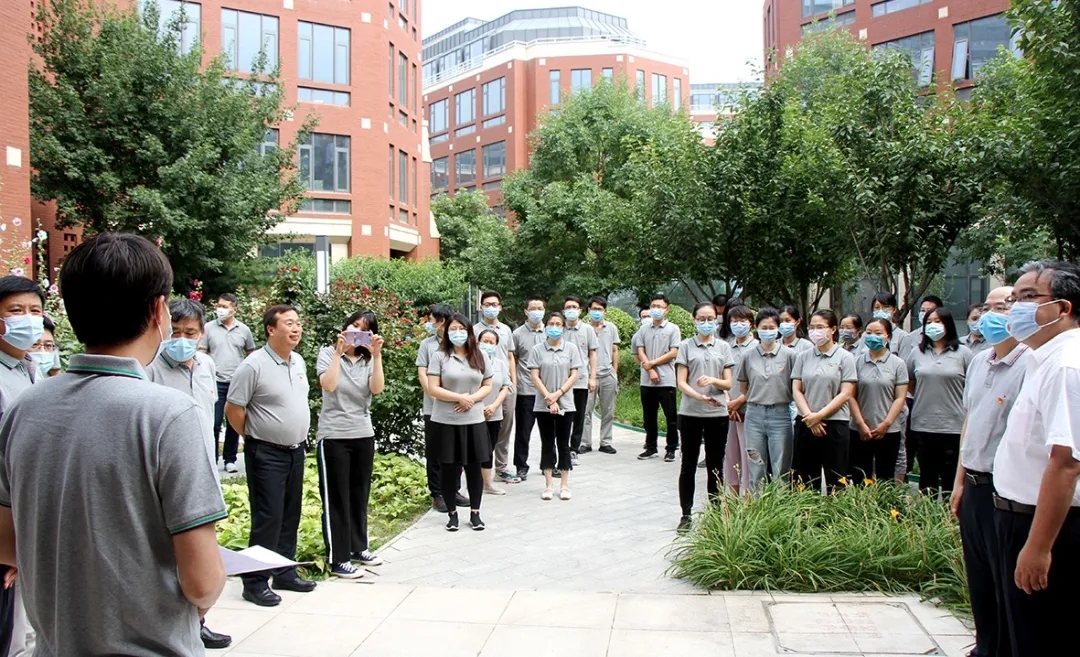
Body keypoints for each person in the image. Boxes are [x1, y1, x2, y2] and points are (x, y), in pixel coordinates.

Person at [0, 233, 226, 655]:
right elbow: (202, 582)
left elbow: (7, 543)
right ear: (158, 310)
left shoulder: (24, 408)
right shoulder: (169, 414)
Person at [991, 260, 1080, 657]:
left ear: (1062, 308)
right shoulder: (1042, 358)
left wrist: (1038, 547)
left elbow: (1066, 463)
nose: (1016, 309)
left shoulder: (1066, 365)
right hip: (1017, 517)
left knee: (1040, 637)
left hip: (1045, 525)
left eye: (1028, 297)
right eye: (1014, 299)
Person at [146, 298, 232, 650]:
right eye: (176, 331)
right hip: (168, 474)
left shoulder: (207, 364)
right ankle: (172, 626)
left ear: (201, 334)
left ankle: (198, 622)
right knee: (171, 554)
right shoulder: (151, 368)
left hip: (204, 467)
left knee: (200, 551)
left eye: (190, 333)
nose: (182, 339)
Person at [949, 286, 1028, 657]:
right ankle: (984, 647)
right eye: (987, 307)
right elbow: (970, 421)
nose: (991, 315)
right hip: (975, 485)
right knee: (979, 578)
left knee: (1006, 583)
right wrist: (959, 481)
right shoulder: (980, 361)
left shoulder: (1032, 363)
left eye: (1003, 307)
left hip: (1008, 490)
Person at [226, 305, 317, 607]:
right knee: (268, 517)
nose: (296, 328)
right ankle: (254, 582)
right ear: (270, 329)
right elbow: (233, 408)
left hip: (295, 451)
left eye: (298, 323)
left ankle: (284, 571)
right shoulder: (253, 365)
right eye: (289, 323)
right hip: (266, 452)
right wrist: (254, 436)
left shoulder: (298, 361)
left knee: (290, 514)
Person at [316, 310, 386, 579]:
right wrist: (338, 353)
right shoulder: (327, 353)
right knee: (337, 498)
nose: (356, 332)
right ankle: (339, 558)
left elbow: (377, 389)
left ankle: (359, 547)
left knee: (359, 495)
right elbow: (328, 385)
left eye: (364, 329)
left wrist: (377, 356)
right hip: (334, 435)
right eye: (353, 325)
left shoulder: (368, 359)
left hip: (362, 433)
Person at [0, 276, 45, 657]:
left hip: (23, 515)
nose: (28, 319)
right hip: (4, 520)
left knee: (22, 630)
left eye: (35, 311)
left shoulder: (29, 368)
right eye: (16, 311)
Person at [427, 314, 494, 531]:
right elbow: (433, 388)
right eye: (453, 329)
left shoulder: (480, 355)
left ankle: (475, 513)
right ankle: (452, 515)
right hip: (445, 421)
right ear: (447, 333)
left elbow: (487, 384)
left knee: (474, 467)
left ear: (469, 331)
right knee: (449, 468)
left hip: (473, 420)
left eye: (461, 329)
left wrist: (471, 400)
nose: (457, 333)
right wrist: (459, 398)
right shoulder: (439, 356)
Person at [675, 303, 734, 530]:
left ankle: (716, 512)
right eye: (701, 318)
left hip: (717, 413)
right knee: (688, 464)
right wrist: (699, 397)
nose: (706, 322)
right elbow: (681, 382)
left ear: (717, 319)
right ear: (694, 320)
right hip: (691, 412)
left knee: (715, 464)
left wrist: (713, 381)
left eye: (710, 318)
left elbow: (728, 383)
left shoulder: (723, 347)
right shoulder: (685, 346)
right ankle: (686, 514)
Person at [907, 307, 973, 494]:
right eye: (928, 322)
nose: (933, 325)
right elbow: (911, 383)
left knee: (951, 478)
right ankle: (926, 512)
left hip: (953, 424)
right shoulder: (916, 353)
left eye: (938, 321)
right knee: (927, 479)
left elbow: (972, 385)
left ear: (948, 324)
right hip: (923, 424)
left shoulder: (963, 353)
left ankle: (949, 511)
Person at [791, 310, 857, 493]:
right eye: (812, 327)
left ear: (833, 329)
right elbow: (797, 389)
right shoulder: (803, 356)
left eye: (820, 327)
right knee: (805, 480)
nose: (815, 331)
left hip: (834, 424)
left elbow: (846, 393)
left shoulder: (845, 357)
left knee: (836, 480)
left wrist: (819, 416)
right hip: (806, 422)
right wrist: (809, 417)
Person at [738, 308, 797, 492]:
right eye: (764, 327)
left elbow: (795, 386)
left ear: (778, 328)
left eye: (772, 327)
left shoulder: (789, 355)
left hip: (780, 414)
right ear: (756, 328)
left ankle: (780, 506)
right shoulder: (748, 356)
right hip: (754, 415)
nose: (768, 331)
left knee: (781, 469)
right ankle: (758, 506)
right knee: (756, 468)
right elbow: (743, 386)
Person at [527, 312, 583, 501]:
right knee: (547, 444)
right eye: (551, 323)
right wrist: (549, 398)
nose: (555, 327)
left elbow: (574, 375)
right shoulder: (537, 349)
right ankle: (549, 485)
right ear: (546, 326)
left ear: (563, 327)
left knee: (564, 444)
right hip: (543, 404)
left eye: (558, 324)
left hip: (566, 403)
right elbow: (535, 376)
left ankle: (564, 485)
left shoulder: (571, 348)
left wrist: (558, 394)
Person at [848, 318, 909, 482]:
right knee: (860, 477)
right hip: (859, 429)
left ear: (888, 336)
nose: (872, 337)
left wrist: (886, 424)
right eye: (868, 333)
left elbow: (900, 398)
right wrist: (860, 423)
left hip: (889, 430)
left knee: (885, 478)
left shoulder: (898, 364)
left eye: (878, 333)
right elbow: (850, 396)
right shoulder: (856, 362)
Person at [201, 292, 256, 474]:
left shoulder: (244, 330)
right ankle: (211, 459)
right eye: (219, 305)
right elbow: (201, 352)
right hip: (215, 381)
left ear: (234, 309)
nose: (220, 309)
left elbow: (251, 354)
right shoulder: (208, 328)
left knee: (234, 423)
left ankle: (230, 459)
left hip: (237, 383)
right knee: (214, 423)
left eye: (224, 306)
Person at [417, 303, 465, 511]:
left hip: (458, 408)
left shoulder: (459, 345)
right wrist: (435, 396)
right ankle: (437, 494)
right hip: (434, 408)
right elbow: (422, 374)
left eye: (431, 319)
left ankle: (454, 490)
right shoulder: (427, 345)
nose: (429, 323)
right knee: (436, 452)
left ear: (442, 321)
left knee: (457, 452)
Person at [474, 291, 519, 485]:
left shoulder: (506, 330)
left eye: (494, 304)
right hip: (482, 386)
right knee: (481, 429)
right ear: (481, 307)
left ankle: (501, 468)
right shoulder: (473, 330)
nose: (491, 308)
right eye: (487, 304)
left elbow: (510, 357)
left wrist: (513, 383)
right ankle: (478, 471)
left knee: (504, 428)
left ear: (500, 307)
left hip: (504, 385)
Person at [636, 294, 682, 461]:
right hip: (647, 380)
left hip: (666, 380)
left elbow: (674, 352)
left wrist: (652, 363)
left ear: (666, 310)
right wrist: (650, 370)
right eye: (653, 306)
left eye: (659, 307)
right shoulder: (643, 329)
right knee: (649, 417)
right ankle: (651, 447)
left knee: (671, 417)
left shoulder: (673, 329)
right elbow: (640, 350)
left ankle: (671, 448)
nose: (656, 309)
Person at [723, 304, 757, 493]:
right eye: (734, 321)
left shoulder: (757, 347)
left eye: (742, 321)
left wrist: (739, 401)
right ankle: (733, 497)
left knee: (748, 455)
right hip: (728, 409)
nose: (738, 325)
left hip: (749, 409)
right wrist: (728, 402)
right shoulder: (726, 346)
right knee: (731, 456)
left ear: (751, 323)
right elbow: (720, 374)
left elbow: (759, 381)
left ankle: (748, 496)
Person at [562, 297, 598, 464]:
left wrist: (592, 377)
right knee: (563, 416)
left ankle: (574, 449)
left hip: (581, 380)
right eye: (568, 307)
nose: (571, 310)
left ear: (580, 310)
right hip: (562, 381)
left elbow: (593, 354)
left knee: (579, 416)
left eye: (574, 307)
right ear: (563, 311)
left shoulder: (588, 330)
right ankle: (562, 447)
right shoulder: (558, 328)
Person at [582, 296, 620, 455]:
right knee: (585, 411)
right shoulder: (584, 328)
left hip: (607, 374)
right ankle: (585, 443)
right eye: (594, 309)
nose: (596, 312)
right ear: (588, 310)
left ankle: (606, 442)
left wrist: (614, 372)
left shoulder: (611, 328)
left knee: (608, 411)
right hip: (588, 376)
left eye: (600, 309)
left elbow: (615, 350)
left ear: (605, 311)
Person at [477, 329, 511, 495]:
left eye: (492, 342)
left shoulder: (500, 364)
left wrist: (494, 406)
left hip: (494, 413)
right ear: (478, 342)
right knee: (474, 449)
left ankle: (487, 484)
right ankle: (473, 483)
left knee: (488, 449)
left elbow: (505, 387)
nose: (488, 345)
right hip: (473, 413)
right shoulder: (472, 361)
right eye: (485, 341)